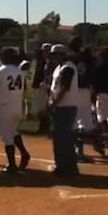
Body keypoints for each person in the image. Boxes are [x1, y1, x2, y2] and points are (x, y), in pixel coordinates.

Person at [0, 47, 30, 172]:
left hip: (4, 107)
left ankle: (12, 164)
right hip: (17, 105)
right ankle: (24, 153)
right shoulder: (20, 72)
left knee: (7, 137)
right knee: (13, 131)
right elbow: (25, 89)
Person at [49, 44, 79, 177]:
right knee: (59, 137)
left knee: (64, 138)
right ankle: (62, 165)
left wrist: (54, 103)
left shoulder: (68, 68)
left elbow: (64, 88)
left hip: (66, 106)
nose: (53, 57)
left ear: (62, 55)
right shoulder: (58, 68)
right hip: (60, 106)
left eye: (55, 55)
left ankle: (68, 167)